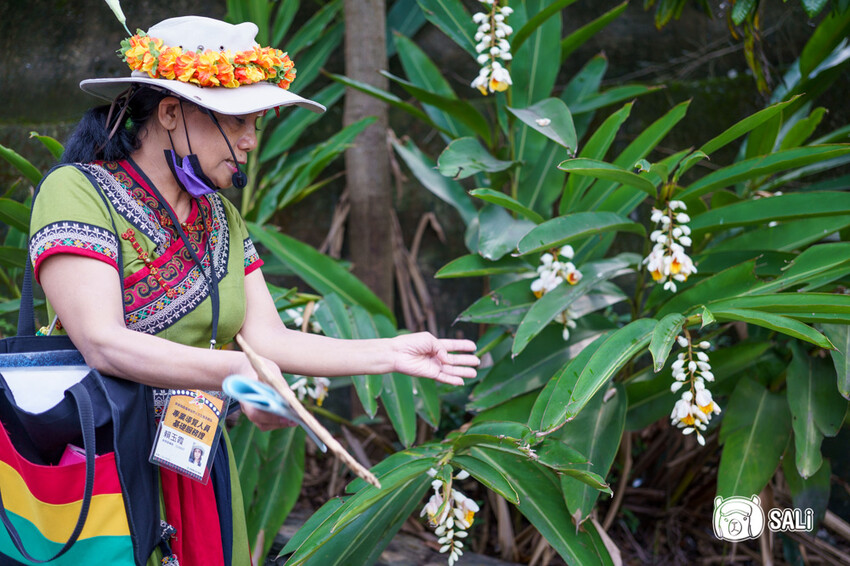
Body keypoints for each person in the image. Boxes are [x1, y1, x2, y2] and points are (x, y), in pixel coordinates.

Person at [28, 15, 479, 566]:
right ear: (170, 113)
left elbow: (268, 339)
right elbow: (103, 343)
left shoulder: (221, 218)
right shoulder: (76, 191)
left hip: (196, 460)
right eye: (236, 121)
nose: (249, 141)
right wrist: (234, 374)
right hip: (100, 465)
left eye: (256, 123)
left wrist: (388, 352)